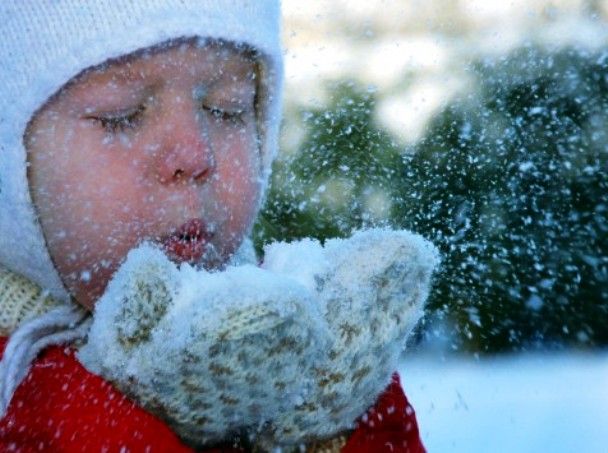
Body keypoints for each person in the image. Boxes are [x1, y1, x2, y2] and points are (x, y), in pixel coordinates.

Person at [0, 1, 430, 451]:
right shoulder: (24, 395)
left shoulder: (288, 341)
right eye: (121, 115)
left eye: (226, 108)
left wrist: (335, 424)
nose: (194, 155)